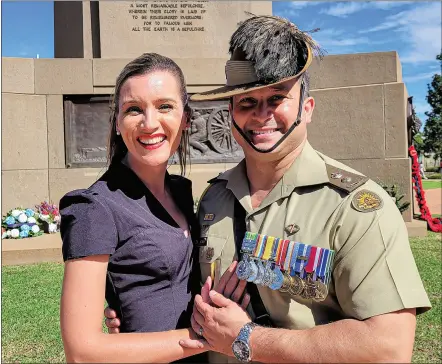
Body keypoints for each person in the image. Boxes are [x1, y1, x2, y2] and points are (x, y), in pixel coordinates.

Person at [106, 16, 431, 363]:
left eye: (277, 98)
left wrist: (247, 338)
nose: (261, 115)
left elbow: (389, 346)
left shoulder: (355, 207)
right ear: (230, 112)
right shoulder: (215, 199)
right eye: (247, 101)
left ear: (307, 109)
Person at [59, 52, 249, 363]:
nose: (150, 123)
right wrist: (206, 338)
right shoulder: (94, 208)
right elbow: (82, 353)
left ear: (185, 118)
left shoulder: (181, 191)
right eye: (134, 110)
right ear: (118, 124)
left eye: (164, 107)